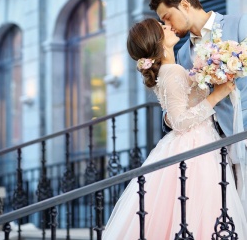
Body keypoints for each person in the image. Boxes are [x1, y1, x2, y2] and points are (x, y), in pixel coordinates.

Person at [102, 18, 247, 239]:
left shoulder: (172, 69)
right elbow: (180, 121)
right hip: (194, 144)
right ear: (157, 40)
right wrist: (216, 96)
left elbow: (172, 115)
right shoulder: (171, 72)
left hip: (198, 140)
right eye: (162, 27)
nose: (167, 25)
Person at [149, 0, 247, 137]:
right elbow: (177, 102)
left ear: (185, 5)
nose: (166, 25)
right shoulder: (182, 55)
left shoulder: (239, 24)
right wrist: (172, 118)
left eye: (167, 17)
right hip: (216, 146)